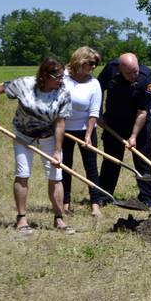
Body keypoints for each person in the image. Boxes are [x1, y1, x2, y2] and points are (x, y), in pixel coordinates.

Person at [0, 57, 73, 234]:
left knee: (56, 176)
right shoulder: (24, 84)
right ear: (44, 75)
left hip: (48, 136)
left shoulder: (63, 92)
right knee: (23, 173)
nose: (61, 80)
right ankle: (22, 219)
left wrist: (57, 151)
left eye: (62, 76)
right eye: (57, 77)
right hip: (23, 136)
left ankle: (59, 219)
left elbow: (60, 123)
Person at [97, 52, 151, 207]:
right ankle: (104, 195)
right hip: (114, 122)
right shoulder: (111, 69)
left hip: (139, 124)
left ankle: (147, 198)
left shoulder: (146, 79)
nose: (133, 76)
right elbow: (97, 89)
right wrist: (97, 113)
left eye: (135, 71)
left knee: (142, 161)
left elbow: (142, 112)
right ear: (120, 69)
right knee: (111, 160)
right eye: (128, 73)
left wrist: (133, 136)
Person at [61, 46, 103, 217]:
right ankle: (65, 203)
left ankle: (95, 204)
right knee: (65, 167)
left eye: (96, 64)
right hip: (63, 130)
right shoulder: (63, 79)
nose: (93, 67)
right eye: (91, 63)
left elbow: (94, 111)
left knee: (91, 167)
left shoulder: (94, 84)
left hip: (86, 129)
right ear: (81, 61)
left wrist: (87, 136)